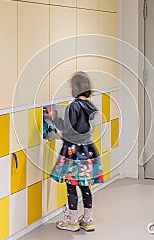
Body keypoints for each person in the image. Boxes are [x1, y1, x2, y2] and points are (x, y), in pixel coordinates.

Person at [48, 71, 103, 232]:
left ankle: (72, 221)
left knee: (71, 186)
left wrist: (53, 117)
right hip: (88, 150)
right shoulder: (90, 106)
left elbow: (67, 128)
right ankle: (88, 219)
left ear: (75, 88)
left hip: (73, 152)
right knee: (85, 187)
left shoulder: (74, 106)